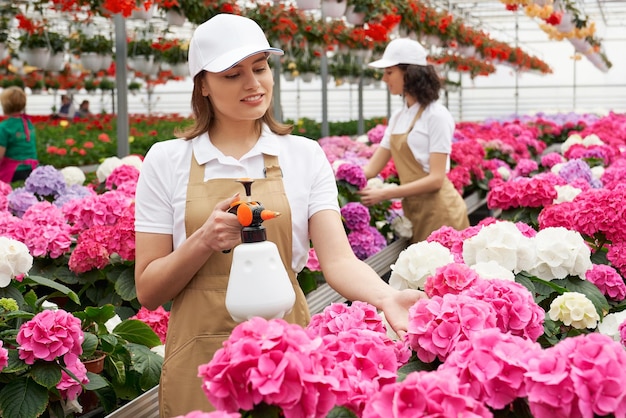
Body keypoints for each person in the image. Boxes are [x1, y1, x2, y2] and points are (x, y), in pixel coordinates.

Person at [133, 13, 426, 417]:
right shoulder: (166, 160)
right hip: (198, 354)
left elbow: (338, 260)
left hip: (285, 352)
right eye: (233, 74)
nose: (253, 84)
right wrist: (203, 240)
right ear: (202, 83)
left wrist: (387, 296)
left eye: (260, 67)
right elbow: (148, 290)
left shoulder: (303, 155)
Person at [359, 38, 469, 244]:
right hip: (413, 210)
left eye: (389, 72)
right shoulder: (399, 117)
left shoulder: (436, 115)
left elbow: (436, 179)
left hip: (441, 211)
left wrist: (386, 193)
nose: (384, 79)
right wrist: (338, 177)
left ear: (410, 73)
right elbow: (371, 169)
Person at [0, 86, 38, 183]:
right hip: (32, 170)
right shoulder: (27, 122)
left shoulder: (4, 126)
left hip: (13, 172)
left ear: (5, 105)